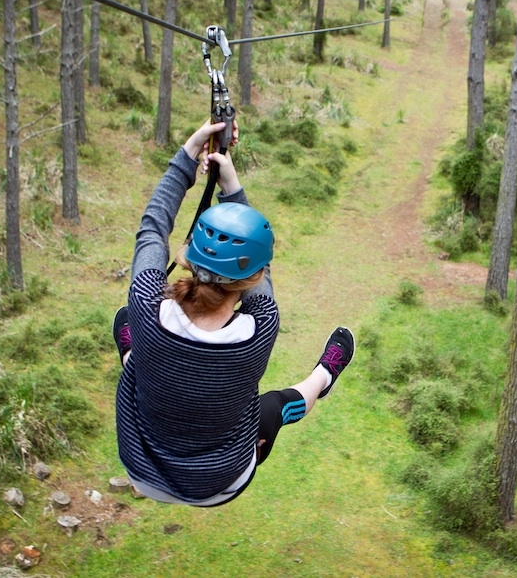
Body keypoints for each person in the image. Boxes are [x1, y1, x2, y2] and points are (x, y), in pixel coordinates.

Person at [112, 119, 355, 507]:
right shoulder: (259, 331)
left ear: (191, 260)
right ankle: (323, 377)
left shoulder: (145, 304)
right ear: (252, 276)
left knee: (133, 341)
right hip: (220, 484)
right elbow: (260, 273)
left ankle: (132, 352)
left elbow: (152, 230)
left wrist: (189, 153)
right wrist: (231, 187)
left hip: (143, 469)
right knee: (273, 407)